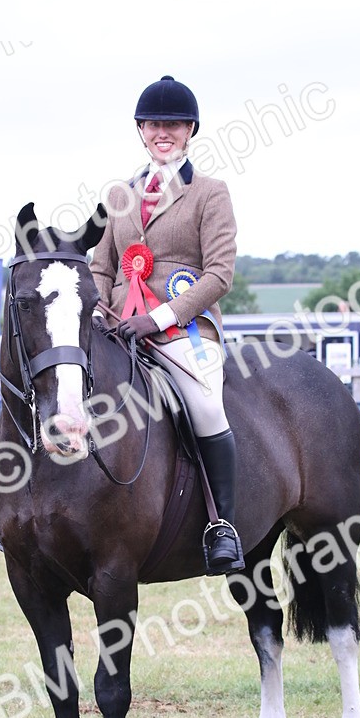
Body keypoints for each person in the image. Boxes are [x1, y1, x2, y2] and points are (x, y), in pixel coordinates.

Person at [90, 75, 244, 575]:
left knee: (203, 403)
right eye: (155, 124)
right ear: (141, 129)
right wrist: (99, 310)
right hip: (116, 326)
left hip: (183, 329)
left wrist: (156, 317)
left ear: (189, 130)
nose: (164, 132)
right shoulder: (120, 194)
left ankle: (223, 527)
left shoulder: (210, 193)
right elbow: (101, 266)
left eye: (173, 124)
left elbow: (220, 273)